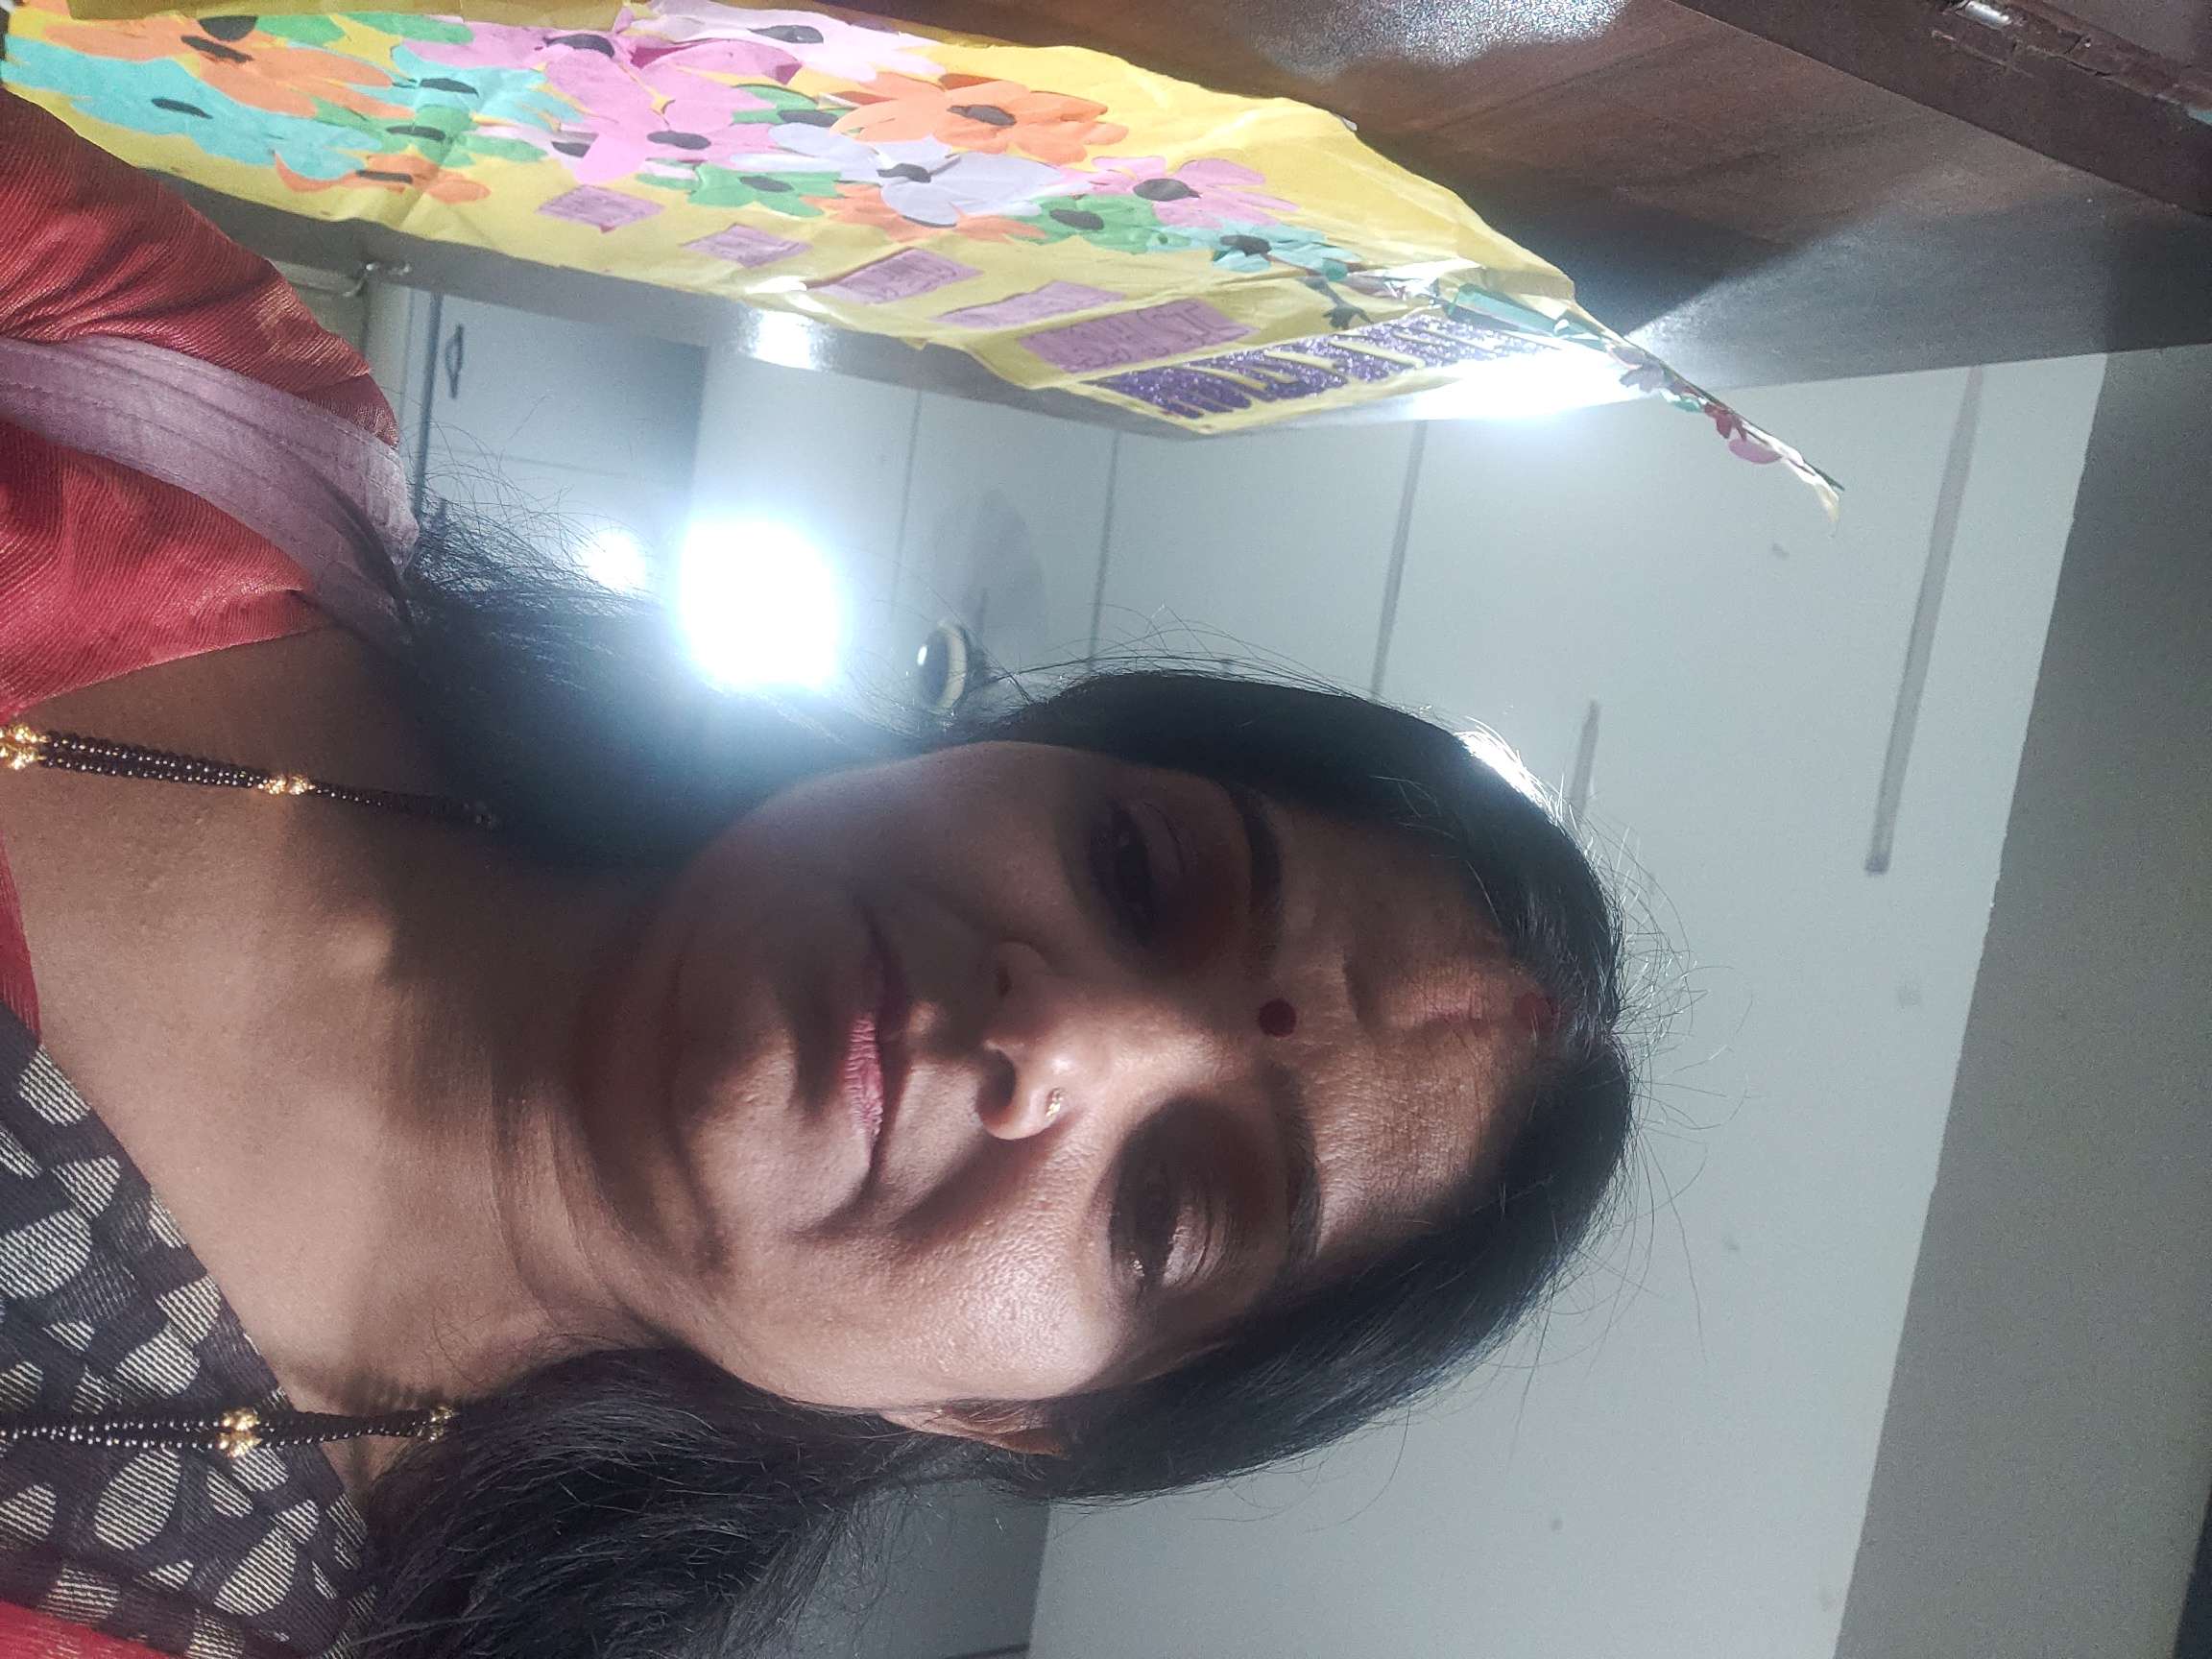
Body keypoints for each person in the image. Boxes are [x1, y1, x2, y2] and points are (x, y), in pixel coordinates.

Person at [0, 88, 1632, 1659]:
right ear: (1003, 753)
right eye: (1137, 872)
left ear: (1006, 1413)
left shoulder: (157, 1603)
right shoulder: (198, 421)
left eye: (1168, 1209)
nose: (1062, 1036)